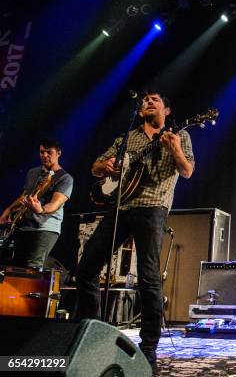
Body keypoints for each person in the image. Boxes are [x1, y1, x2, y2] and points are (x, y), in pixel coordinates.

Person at [76, 90, 195, 368]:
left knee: (149, 277)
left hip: (153, 207)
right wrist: (105, 167)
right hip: (120, 207)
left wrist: (174, 148)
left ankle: (149, 346)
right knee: (86, 269)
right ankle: (92, 332)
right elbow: (95, 167)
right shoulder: (127, 138)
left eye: (155, 99)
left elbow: (187, 170)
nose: (149, 101)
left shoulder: (180, 135)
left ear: (166, 110)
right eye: (146, 100)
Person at [0, 138, 73, 268]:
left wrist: (41, 210)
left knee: (32, 268)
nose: (44, 155)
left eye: (49, 152)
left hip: (45, 228)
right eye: (41, 152)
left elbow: (56, 204)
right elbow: (25, 195)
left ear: (59, 153)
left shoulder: (65, 178)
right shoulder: (33, 172)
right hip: (23, 226)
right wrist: (9, 209)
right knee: (16, 267)